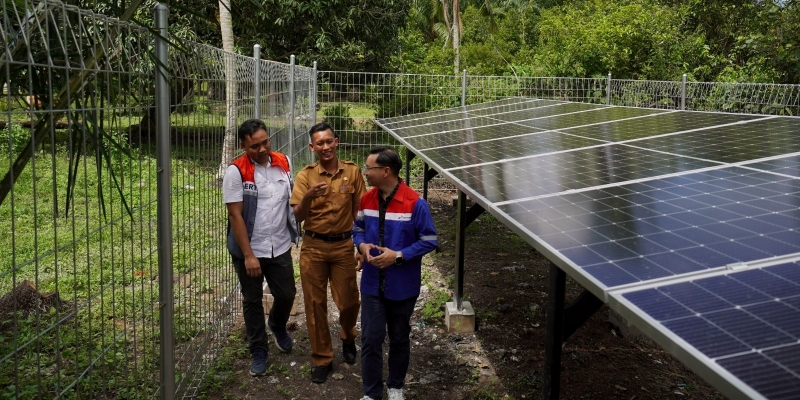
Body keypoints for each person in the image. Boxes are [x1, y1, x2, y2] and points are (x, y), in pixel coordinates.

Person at [353, 146, 438, 400]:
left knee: (400, 336)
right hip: (371, 285)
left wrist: (398, 256)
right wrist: (362, 245)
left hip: (402, 286)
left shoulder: (415, 203)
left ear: (385, 171)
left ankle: (396, 386)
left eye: (369, 168)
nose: (365, 172)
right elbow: (356, 229)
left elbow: (430, 239)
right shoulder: (366, 200)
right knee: (370, 338)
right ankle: (372, 393)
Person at [290, 122, 367, 383]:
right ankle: (322, 357)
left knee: (348, 300)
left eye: (329, 141)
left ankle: (347, 335)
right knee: (314, 304)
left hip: (344, 245)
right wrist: (309, 196)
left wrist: (361, 245)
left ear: (336, 142)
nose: (325, 147)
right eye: (319, 143)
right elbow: (297, 216)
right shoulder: (305, 176)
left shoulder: (353, 172)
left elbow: (360, 211)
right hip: (314, 247)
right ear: (312, 147)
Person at [223, 119, 298, 377]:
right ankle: (258, 349)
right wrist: (248, 256)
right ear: (244, 146)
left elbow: (291, 200)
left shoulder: (284, 162)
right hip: (250, 249)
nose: (263, 149)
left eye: (265, 142)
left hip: (279, 245)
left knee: (287, 293)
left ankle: (277, 324)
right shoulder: (237, 171)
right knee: (252, 300)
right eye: (255, 146)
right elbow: (236, 216)